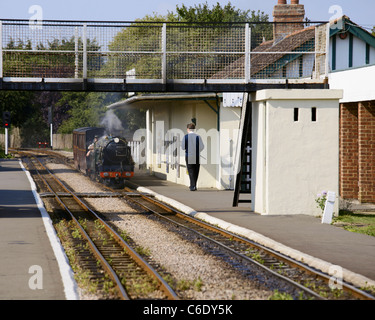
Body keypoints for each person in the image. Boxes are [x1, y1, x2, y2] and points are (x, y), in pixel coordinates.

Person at [181, 123, 204, 191]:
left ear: (188, 129)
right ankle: (193, 185)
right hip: (196, 155)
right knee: (196, 170)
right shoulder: (198, 137)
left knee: (191, 170)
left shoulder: (185, 137)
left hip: (189, 156)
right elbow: (202, 147)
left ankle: (192, 186)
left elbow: (183, 147)